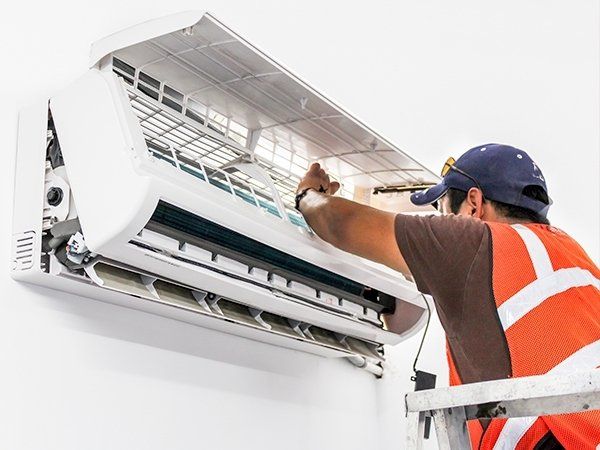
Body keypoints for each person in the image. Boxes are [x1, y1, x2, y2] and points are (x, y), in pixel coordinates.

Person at [294, 143, 600, 449]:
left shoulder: (473, 239)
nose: (442, 222)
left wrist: (307, 194)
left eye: (442, 211)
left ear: (473, 203)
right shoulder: (571, 253)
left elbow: (339, 223)